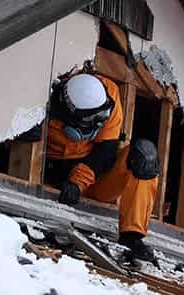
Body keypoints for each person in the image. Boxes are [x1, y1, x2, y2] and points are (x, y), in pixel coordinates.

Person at [45, 71, 161, 265]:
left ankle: (132, 235)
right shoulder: (44, 101)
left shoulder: (111, 94)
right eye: (91, 119)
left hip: (95, 177)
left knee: (145, 155)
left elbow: (105, 152)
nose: (99, 122)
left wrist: (77, 183)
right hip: (52, 175)